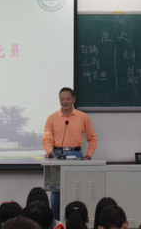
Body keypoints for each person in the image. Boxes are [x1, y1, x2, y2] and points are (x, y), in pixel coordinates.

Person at [42, 87, 98, 220]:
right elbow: (47, 139)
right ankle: (56, 223)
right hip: (57, 155)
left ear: (74, 99)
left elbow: (93, 138)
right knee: (56, 194)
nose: (64, 102)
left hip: (76, 155)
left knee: (76, 190)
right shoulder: (52, 118)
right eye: (62, 99)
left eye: (67, 99)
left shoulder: (83, 117)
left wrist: (89, 155)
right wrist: (49, 151)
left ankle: (76, 222)